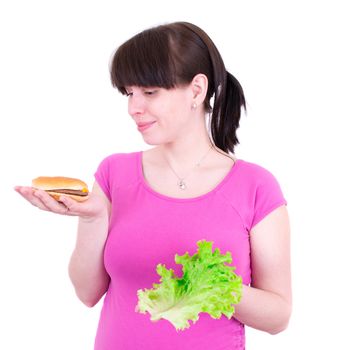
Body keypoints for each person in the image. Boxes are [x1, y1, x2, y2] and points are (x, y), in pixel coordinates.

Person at [15, 21, 292, 350]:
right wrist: (92, 218)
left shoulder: (255, 186)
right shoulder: (114, 173)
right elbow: (86, 293)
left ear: (197, 90)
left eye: (149, 92)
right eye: (129, 93)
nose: (134, 108)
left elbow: (279, 316)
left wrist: (216, 286)